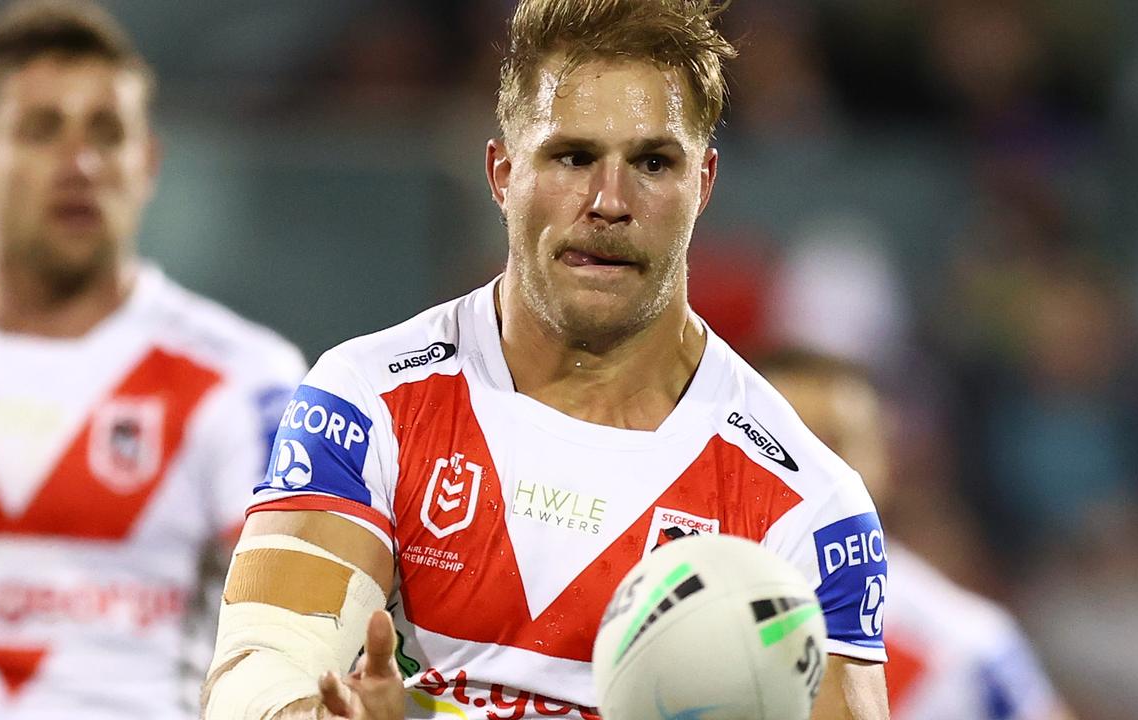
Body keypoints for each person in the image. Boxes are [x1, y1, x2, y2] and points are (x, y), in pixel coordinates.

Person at [201, 1, 890, 718]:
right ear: (501, 173)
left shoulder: (809, 508)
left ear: (704, 184)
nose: (609, 201)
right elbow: (261, 669)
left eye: (653, 162)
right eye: (573, 156)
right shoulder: (370, 401)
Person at [0, 1, 306, 717]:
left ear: (147, 164)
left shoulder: (245, 380)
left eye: (106, 133)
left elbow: (298, 633)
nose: (78, 164)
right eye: (41, 130)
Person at [758, 348, 1075, 720]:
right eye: (775, 444)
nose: (808, 472)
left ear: (886, 463)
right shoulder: (674, 604)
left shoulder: (966, 650)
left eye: (834, 446)